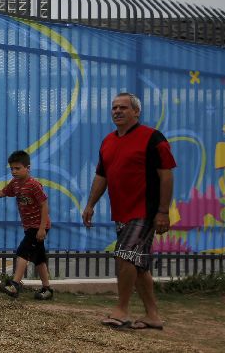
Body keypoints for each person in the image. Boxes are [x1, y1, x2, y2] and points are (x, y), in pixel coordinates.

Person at [82, 92, 175, 330]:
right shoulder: (107, 141)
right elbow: (102, 176)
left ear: (136, 111)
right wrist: (90, 204)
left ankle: (121, 311)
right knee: (139, 266)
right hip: (121, 212)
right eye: (114, 107)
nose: (117, 111)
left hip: (145, 211)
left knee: (124, 256)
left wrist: (163, 212)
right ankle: (153, 315)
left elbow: (166, 175)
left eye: (123, 107)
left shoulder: (153, 138)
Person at [0, 150, 53, 300]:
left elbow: (44, 206)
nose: (14, 172)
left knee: (22, 251)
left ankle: (14, 285)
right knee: (39, 258)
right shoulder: (15, 184)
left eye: (18, 168)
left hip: (38, 226)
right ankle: (47, 289)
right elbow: (1, 193)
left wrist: (42, 228)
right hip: (29, 226)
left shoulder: (34, 185)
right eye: (12, 169)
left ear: (28, 168)